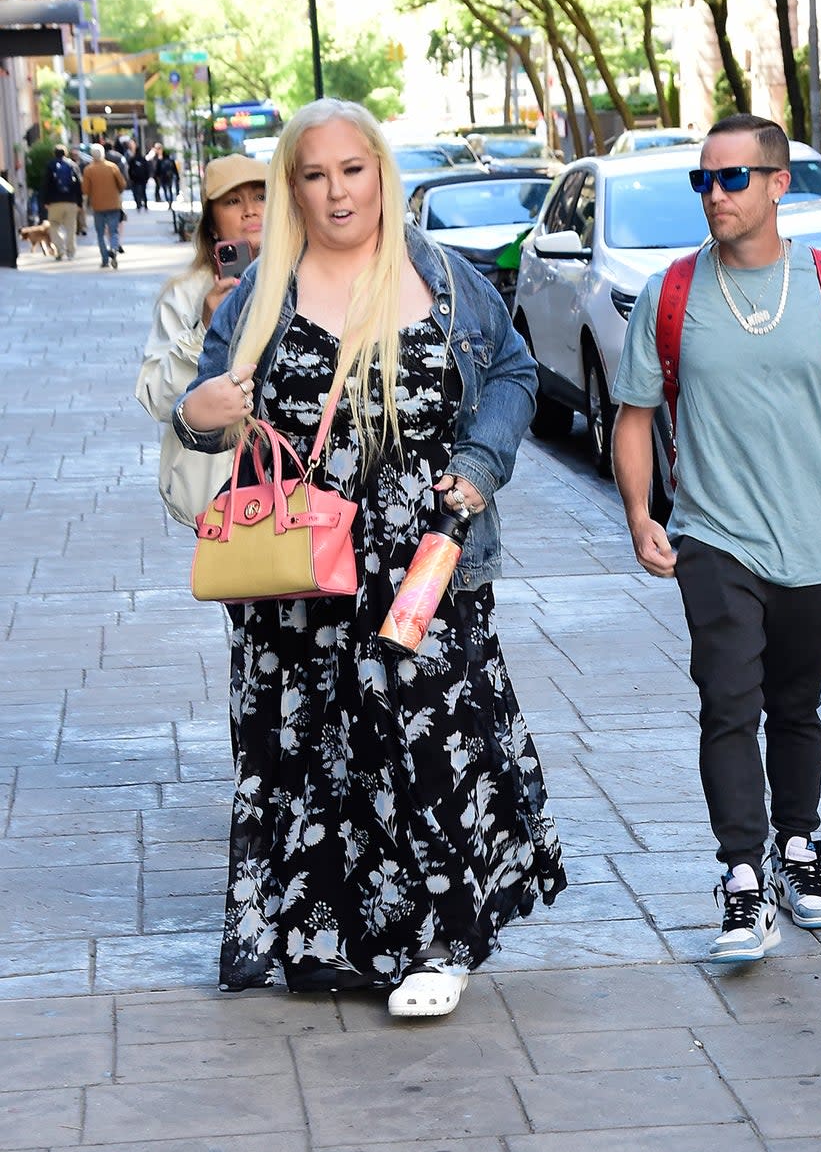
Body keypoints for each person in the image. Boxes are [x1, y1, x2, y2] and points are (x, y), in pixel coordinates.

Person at [171, 98, 565, 1013]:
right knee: (310, 749)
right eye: (315, 174)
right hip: (299, 570)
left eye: (353, 169)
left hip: (423, 556)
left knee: (432, 741)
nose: (337, 190)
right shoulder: (260, 292)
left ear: (381, 174)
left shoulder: (448, 281)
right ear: (292, 186)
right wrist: (202, 414)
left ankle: (445, 940)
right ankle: (328, 938)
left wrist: (477, 468)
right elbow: (199, 413)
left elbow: (512, 372)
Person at [611, 113, 821, 965]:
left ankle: (797, 850)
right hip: (714, 538)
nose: (713, 195)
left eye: (730, 179)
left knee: (797, 707)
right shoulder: (673, 292)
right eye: (704, 180)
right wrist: (641, 513)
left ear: (775, 184)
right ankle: (739, 875)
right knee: (729, 702)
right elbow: (636, 416)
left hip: (817, 539)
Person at [135, 154, 267, 526]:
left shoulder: (311, 277)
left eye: (260, 197)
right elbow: (159, 400)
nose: (249, 211)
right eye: (232, 201)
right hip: (218, 495)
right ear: (211, 223)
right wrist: (204, 330)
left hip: (302, 491)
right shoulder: (184, 294)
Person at [81, 145, 126, 268]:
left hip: (98, 206)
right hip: (113, 204)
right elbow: (122, 184)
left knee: (100, 233)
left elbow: (85, 190)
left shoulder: (88, 170)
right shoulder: (112, 167)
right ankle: (114, 248)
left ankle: (105, 259)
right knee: (113, 231)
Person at [39, 144, 82, 260]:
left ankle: (60, 249)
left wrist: (45, 201)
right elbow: (78, 185)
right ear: (66, 153)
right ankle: (71, 252)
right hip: (71, 201)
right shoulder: (73, 165)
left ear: (54, 154)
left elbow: (46, 185)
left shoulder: (50, 165)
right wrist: (80, 203)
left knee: (54, 226)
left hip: (54, 202)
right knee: (71, 228)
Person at [127, 144, 152, 212]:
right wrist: (147, 178)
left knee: (136, 192)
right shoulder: (143, 159)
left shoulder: (132, 159)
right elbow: (147, 169)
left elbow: (129, 170)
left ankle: (138, 204)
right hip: (143, 179)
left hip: (135, 179)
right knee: (143, 192)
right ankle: (145, 204)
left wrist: (131, 178)